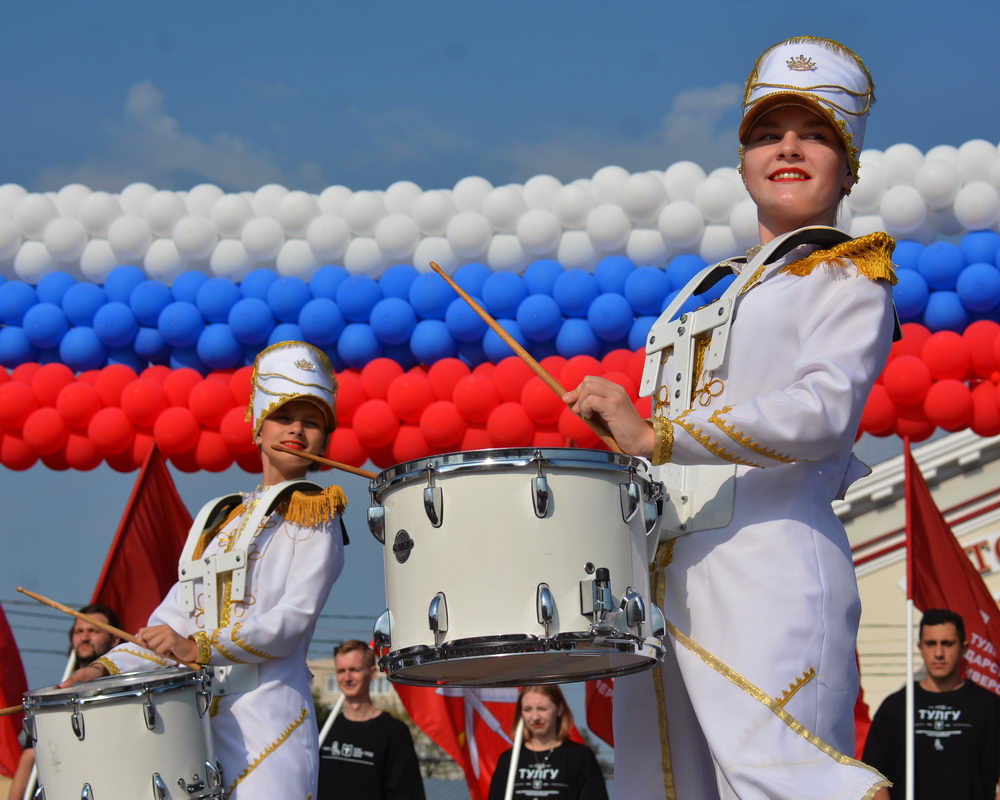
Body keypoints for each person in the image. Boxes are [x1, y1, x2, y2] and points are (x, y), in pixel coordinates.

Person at [564, 36, 897, 798]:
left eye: (816, 134)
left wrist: (664, 435)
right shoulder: (712, 293)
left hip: (770, 571)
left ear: (850, 167)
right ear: (743, 161)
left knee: (789, 782)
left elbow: (825, 410)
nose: (789, 148)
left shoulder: (847, 273)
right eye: (768, 134)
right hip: (667, 584)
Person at [61, 341, 348, 800]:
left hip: (269, 720)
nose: (297, 429)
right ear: (258, 427)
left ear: (325, 440)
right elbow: (173, 619)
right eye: (284, 417)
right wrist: (101, 670)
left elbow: (292, 621)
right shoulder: (222, 516)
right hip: (195, 725)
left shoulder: (316, 512)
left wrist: (197, 647)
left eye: (312, 423)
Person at [863, 609, 1000, 800]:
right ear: (920, 647)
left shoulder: (989, 706)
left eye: (947, 644)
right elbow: (872, 777)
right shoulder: (896, 706)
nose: (938, 653)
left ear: (964, 648)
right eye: (931, 643)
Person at [9, 604, 123, 800]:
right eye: (79, 631)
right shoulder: (54, 698)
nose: (85, 637)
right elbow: (29, 757)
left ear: (115, 639)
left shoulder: (125, 693)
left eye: (93, 630)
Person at [317, 640, 424, 799]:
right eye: (341, 671)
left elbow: (407, 793)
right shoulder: (322, 730)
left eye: (354, 670)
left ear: (372, 673)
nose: (347, 677)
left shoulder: (394, 733)